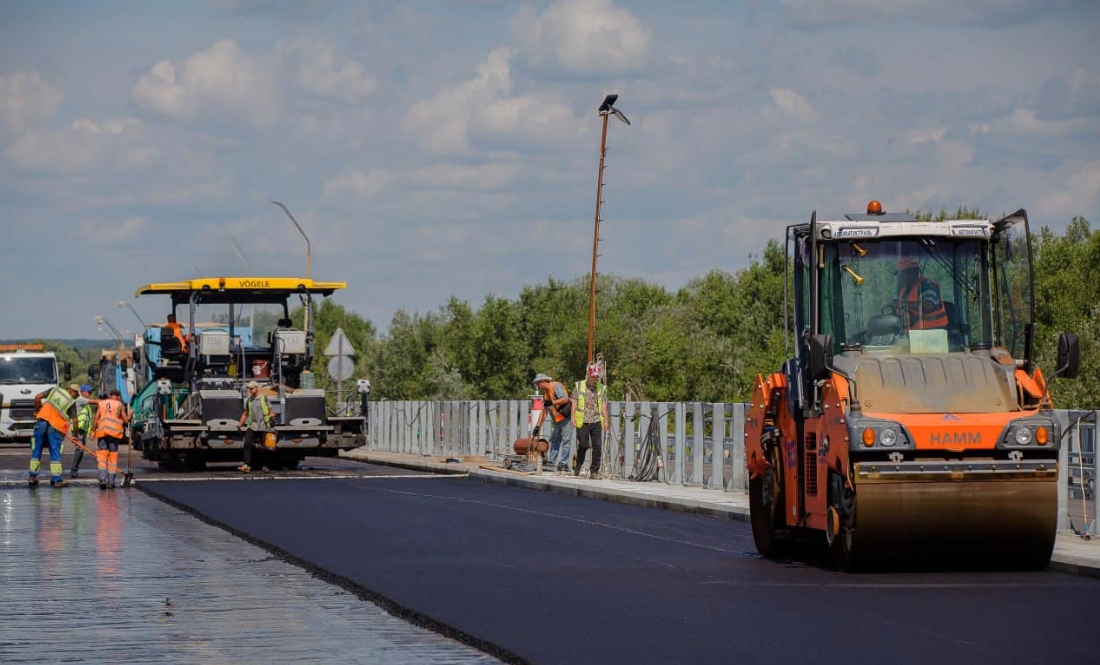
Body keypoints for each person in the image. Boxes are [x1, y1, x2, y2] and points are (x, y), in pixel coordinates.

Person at [30, 383, 81, 488]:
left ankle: (32, 477)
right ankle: (57, 480)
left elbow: (37, 397)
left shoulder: (54, 390)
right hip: (54, 427)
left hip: (41, 422)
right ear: (73, 392)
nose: (77, 396)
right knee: (55, 452)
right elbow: (75, 421)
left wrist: (37, 411)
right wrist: (75, 435)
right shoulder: (71, 402)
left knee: (37, 450)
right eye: (77, 394)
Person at [571, 362, 610, 479]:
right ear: (588, 375)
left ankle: (594, 471)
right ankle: (578, 464)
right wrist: (572, 417)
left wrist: (606, 419)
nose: (595, 379)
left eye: (597, 377)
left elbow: (603, 405)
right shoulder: (579, 386)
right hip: (582, 421)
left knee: (597, 447)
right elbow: (574, 402)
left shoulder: (601, 388)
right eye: (594, 377)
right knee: (583, 445)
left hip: (596, 420)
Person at [533, 373, 573, 474]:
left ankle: (563, 464)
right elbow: (544, 411)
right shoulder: (545, 393)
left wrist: (552, 403)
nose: (538, 386)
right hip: (557, 420)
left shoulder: (556, 386)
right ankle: (551, 462)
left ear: (542, 382)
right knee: (555, 441)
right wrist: (537, 426)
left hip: (565, 418)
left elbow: (565, 399)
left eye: (538, 384)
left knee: (566, 442)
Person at [91, 389, 130, 490]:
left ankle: (102, 479)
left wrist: (93, 431)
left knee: (102, 458)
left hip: (102, 433)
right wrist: (131, 414)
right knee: (112, 458)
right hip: (114, 434)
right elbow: (126, 420)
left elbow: (96, 418)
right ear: (118, 396)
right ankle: (111, 482)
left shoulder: (102, 403)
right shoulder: (120, 405)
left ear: (110, 395)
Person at [895, 257, 948, 330]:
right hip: (912, 335)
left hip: (932, 334)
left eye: (901, 275)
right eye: (899, 275)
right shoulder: (904, 290)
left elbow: (928, 306)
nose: (899, 278)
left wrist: (903, 304)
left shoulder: (927, 286)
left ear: (914, 272)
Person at [237, 380, 273, 473]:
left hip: (263, 426)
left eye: (252, 388)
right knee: (247, 444)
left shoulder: (264, 398)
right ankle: (247, 465)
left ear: (257, 388)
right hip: (252, 426)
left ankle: (266, 465)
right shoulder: (249, 400)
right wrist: (239, 424)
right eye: (249, 388)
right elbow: (245, 413)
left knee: (266, 447)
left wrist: (271, 417)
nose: (250, 390)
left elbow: (270, 411)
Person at [69, 385, 97, 478]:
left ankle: (75, 469)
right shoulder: (81, 399)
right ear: (83, 391)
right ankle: (73, 470)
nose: (90, 394)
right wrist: (108, 402)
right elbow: (95, 401)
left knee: (81, 451)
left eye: (91, 392)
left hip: (82, 430)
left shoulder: (85, 404)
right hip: (77, 430)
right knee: (79, 449)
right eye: (89, 392)